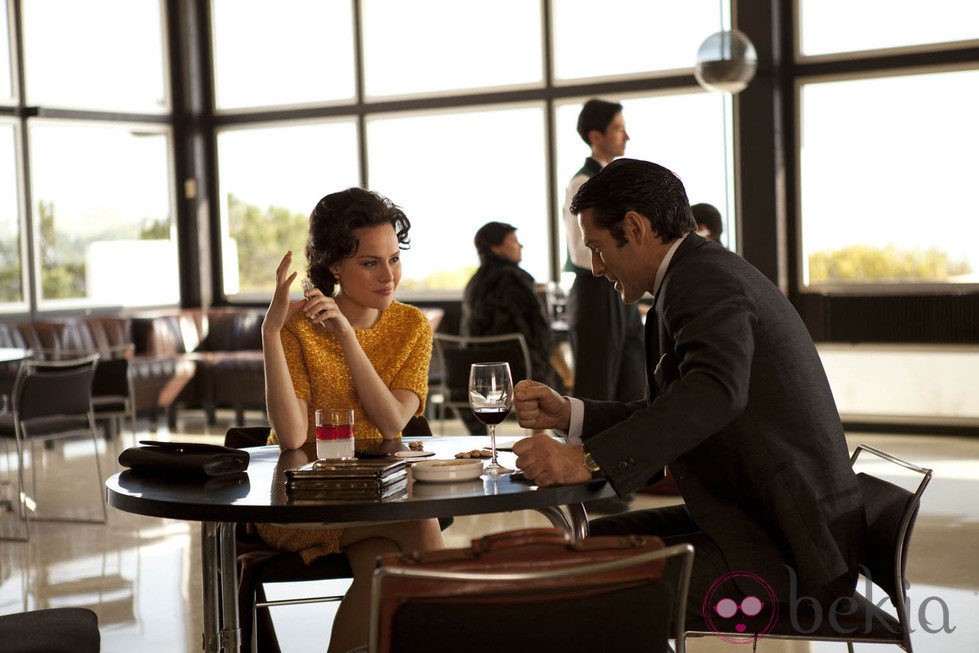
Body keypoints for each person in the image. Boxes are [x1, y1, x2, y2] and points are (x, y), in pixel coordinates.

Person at [513, 159, 865, 611]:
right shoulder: (692, 274)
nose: (596, 269)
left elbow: (716, 392)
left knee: (578, 578)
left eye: (598, 248)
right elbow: (674, 406)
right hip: (757, 516)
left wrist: (587, 461)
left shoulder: (703, 280)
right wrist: (570, 413)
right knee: (580, 543)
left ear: (635, 228)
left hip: (788, 550)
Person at [260, 188, 442, 652]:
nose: (389, 276)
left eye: (394, 259)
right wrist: (271, 334)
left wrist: (346, 335)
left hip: (376, 496)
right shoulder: (299, 327)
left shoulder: (411, 325)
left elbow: (391, 423)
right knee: (422, 531)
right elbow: (293, 437)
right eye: (370, 263)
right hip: (304, 500)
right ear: (335, 266)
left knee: (385, 572)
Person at [562, 98, 645, 404]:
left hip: (620, 290)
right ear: (595, 136)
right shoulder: (582, 182)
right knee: (597, 389)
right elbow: (581, 252)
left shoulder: (617, 181)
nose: (626, 136)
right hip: (595, 292)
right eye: (618, 129)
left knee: (634, 385)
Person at [461, 221, 560, 392]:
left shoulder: (473, 284)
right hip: (516, 373)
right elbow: (539, 332)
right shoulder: (515, 279)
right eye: (514, 240)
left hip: (477, 377)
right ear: (496, 248)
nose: (520, 245)